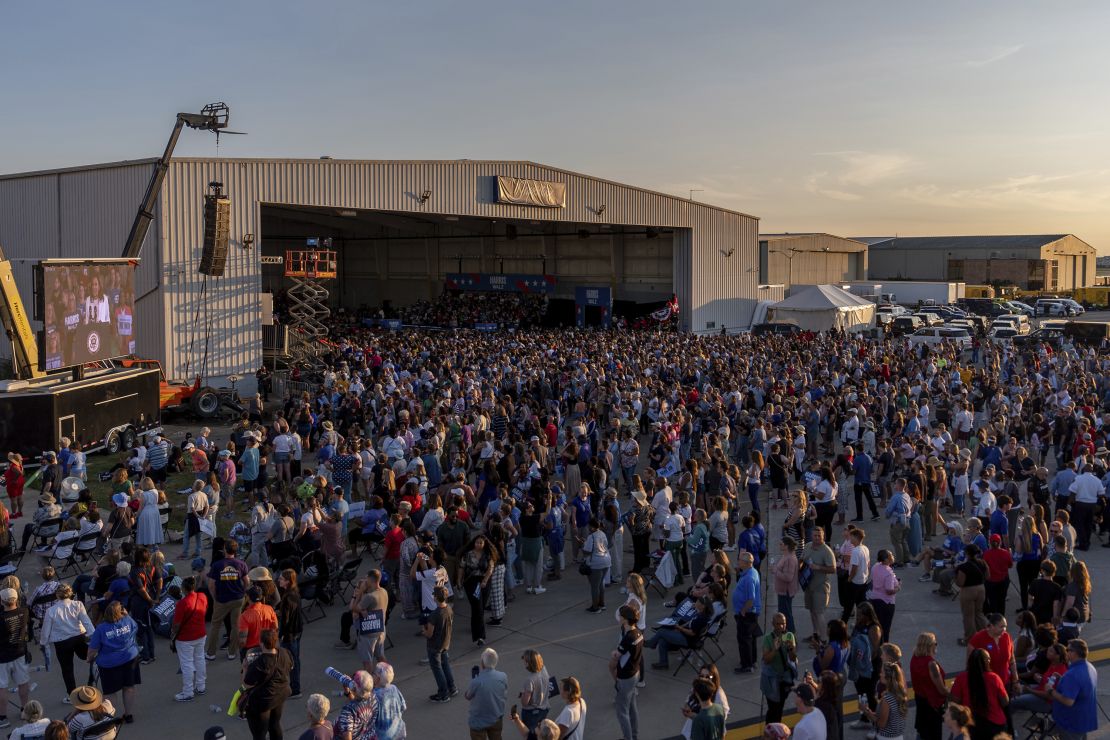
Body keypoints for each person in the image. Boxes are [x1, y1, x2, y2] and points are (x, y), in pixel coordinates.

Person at [87, 601, 139, 724]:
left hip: (109, 664)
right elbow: (135, 628)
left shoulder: (101, 629)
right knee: (129, 687)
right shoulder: (127, 620)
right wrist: (127, 615)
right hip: (130, 659)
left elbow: (93, 649)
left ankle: (110, 718)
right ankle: (128, 714)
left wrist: (89, 658)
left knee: (110, 693)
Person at [39, 583, 94, 699]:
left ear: (57, 595)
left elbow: (45, 631)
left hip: (61, 642)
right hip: (79, 637)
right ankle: (92, 680)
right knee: (90, 657)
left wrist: (43, 643)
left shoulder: (51, 611)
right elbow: (87, 622)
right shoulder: (78, 605)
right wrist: (93, 636)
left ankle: (72, 696)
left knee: (67, 669)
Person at [241, 629, 294, 740]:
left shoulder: (258, 664)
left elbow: (246, 685)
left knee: (259, 734)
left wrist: (245, 668)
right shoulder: (285, 653)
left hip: (262, 702)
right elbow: (291, 667)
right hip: (280, 696)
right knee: (275, 725)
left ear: (261, 643)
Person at [948, 648, 1008, 740]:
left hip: (970, 724)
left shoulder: (961, 678)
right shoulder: (994, 678)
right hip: (995, 725)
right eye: (988, 658)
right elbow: (1005, 702)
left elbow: (954, 702)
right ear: (986, 662)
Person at [205, 539, 249, 660]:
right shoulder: (241, 564)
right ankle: (232, 652)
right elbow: (247, 581)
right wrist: (243, 592)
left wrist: (214, 597)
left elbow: (211, 584)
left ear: (225, 549)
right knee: (236, 625)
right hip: (237, 598)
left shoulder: (217, 565)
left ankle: (211, 653)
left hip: (222, 599)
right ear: (235, 550)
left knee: (215, 625)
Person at [1050, 639, 1099, 740]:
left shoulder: (1072, 674)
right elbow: (1081, 688)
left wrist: (1050, 690)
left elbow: (1068, 701)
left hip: (1071, 722)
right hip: (1083, 720)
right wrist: (1062, 679)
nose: (1066, 652)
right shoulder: (1090, 667)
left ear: (1075, 653)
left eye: (1068, 650)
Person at [169, 575, 207, 702]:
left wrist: (172, 635)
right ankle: (201, 686)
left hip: (186, 638)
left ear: (184, 589)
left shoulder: (182, 603)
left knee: (187, 665)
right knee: (200, 659)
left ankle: (188, 692)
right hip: (200, 634)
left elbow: (176, 624)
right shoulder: (202, 596)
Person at [0, 586, 31, 729]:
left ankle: (2, 717)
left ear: (2, 601)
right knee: (23, 682)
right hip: (20, 652)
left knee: (2, 687)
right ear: (16, 599)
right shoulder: (24, 611)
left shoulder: (1, 618)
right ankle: (25, 710)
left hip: (3, 657)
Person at [610, 604, 642, 740]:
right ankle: (634, 735)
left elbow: (616, 655)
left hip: (626, 677)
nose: (619, 618)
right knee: (632, 707)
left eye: (620, 616)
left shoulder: (628, 638)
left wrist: (614, 653)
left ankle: (628, 738)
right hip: (635, 673)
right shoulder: (638, 633)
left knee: (622, 712)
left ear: (625, 619)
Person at [759, 612, 797, 724]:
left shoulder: (789, 636)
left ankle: (776, 728)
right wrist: (775, 649)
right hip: (771, 679)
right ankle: (770, 729)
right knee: (773, 708)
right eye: (778, 624)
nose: (781, 626)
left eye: (783, 624)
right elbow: (766, 659)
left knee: (779, 707)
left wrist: (791, 649)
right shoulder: (768, 638)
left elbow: (793, 659)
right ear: (773, 624)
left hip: (784, 679)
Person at [800, 527, 835, 647]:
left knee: (819, 613)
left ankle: (824, 640)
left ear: (823, 536)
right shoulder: (808, 546)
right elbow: (802, 559)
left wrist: (818, 567)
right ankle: (815, 634)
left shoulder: (826, 551)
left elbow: (833, 569)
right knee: (812, 611)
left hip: (820, 587)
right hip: (808, 585)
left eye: (819, 536)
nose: (816, 538)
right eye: (814, 535)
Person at [909, 632, 947, 740]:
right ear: (930, 645)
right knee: (933, 735)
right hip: (932, 705)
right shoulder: (931, 664)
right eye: (935, 643)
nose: (936, 645)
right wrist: (951, 693)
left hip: (920, 702)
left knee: (922, 732)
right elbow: (941, 690)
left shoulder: (914, 658)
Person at [466, 647, 509, 740]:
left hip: (478, 721)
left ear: (482, 663)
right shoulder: (503, 676)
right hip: (496, 717)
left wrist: (474, 679)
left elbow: (468, 696)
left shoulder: (476, 681)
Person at [425, 585, 457, 703]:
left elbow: (429, 634)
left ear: (435, 598)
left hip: (434, 646)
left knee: (437, 668)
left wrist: (424, 631)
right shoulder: (449, 609)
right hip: (445, 643)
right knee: (445, 665)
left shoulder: (434, 615)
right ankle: (452, 687)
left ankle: (443, 693)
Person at [352, 569, 388, 672]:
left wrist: (360, 592)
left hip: (368, 632)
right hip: (380, 629)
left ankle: (369, 685)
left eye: (366, 578)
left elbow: (354, 608)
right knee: (380, 657)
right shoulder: (384, 592)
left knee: (367, 661)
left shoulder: (369, 597)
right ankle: (387, 676)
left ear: (369, 579)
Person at [860, 663, 908, 740]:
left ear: (888, 678)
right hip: (899, 737)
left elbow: (881, 724)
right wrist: (869, 711)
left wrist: (866, 711)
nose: (880, 674)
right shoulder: (901, 693)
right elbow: (888, 716)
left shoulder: (887, 699)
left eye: (882, 672)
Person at [732, 551, 761, 674]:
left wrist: (743, 610)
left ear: (746, 563)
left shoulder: (749, 578)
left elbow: (751, 598)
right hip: (750, 613)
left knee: (744, 639)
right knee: (751, 638)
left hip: (747, 614)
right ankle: (752, 660)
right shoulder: (750, 572)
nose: (738, 561)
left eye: (740, 560)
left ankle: (746, 665)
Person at [867, 549, 899, 644]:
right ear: (885, 560)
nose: (892, 556)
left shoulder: (875, 566)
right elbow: (889, 591)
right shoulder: (888, 573)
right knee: (885, 628)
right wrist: (898, 588)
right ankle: (884, 646)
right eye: (890, 555)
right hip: (886, 603)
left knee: (877, 625)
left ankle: (875, 644)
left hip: (874, 600)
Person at [238, 586, 279, 659]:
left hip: (251, 651)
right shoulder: (269, 609)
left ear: (248, 598)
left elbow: (242, 641)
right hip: (267, 647)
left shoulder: (244, 616)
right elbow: (275, 628)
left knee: (249, 669)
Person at [580, 518, 612, 613]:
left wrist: (582, 545)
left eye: (589, 526)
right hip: (606, 561)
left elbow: (587, 552)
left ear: (592, 527)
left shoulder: (591, 537)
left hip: (596, 563)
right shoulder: (602, 534)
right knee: (601, 583)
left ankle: (595, 607)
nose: (588, 527)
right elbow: (605, 545)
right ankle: (601, 604)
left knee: (594, 586)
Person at [372, 662, 407, 740]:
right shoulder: (394, 688)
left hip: (383, 736)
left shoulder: (374, 695)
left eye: (373, 673)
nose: (372, 675)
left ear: (377, 678)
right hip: (398, 732)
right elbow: (403, 707)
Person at [518, 649, 551, 731]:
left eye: (525, 662)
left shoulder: (530, 680)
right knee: (540, 732)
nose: (523, 663)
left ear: (528, 664)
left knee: (531, 735)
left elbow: (525, 703)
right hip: (544, 708)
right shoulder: (544, 670)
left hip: (531, 713)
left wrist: (522, 695)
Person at [771, 537, 799, 634]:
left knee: (786, 615)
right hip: (783, 591)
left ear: (786, 546)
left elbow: (788, 577)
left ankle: (791, 635)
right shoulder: (786, 556)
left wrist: (775, 571)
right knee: (785, 613)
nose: (779, 545)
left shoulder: (789, 559)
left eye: (781, 544)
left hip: (785, 591)